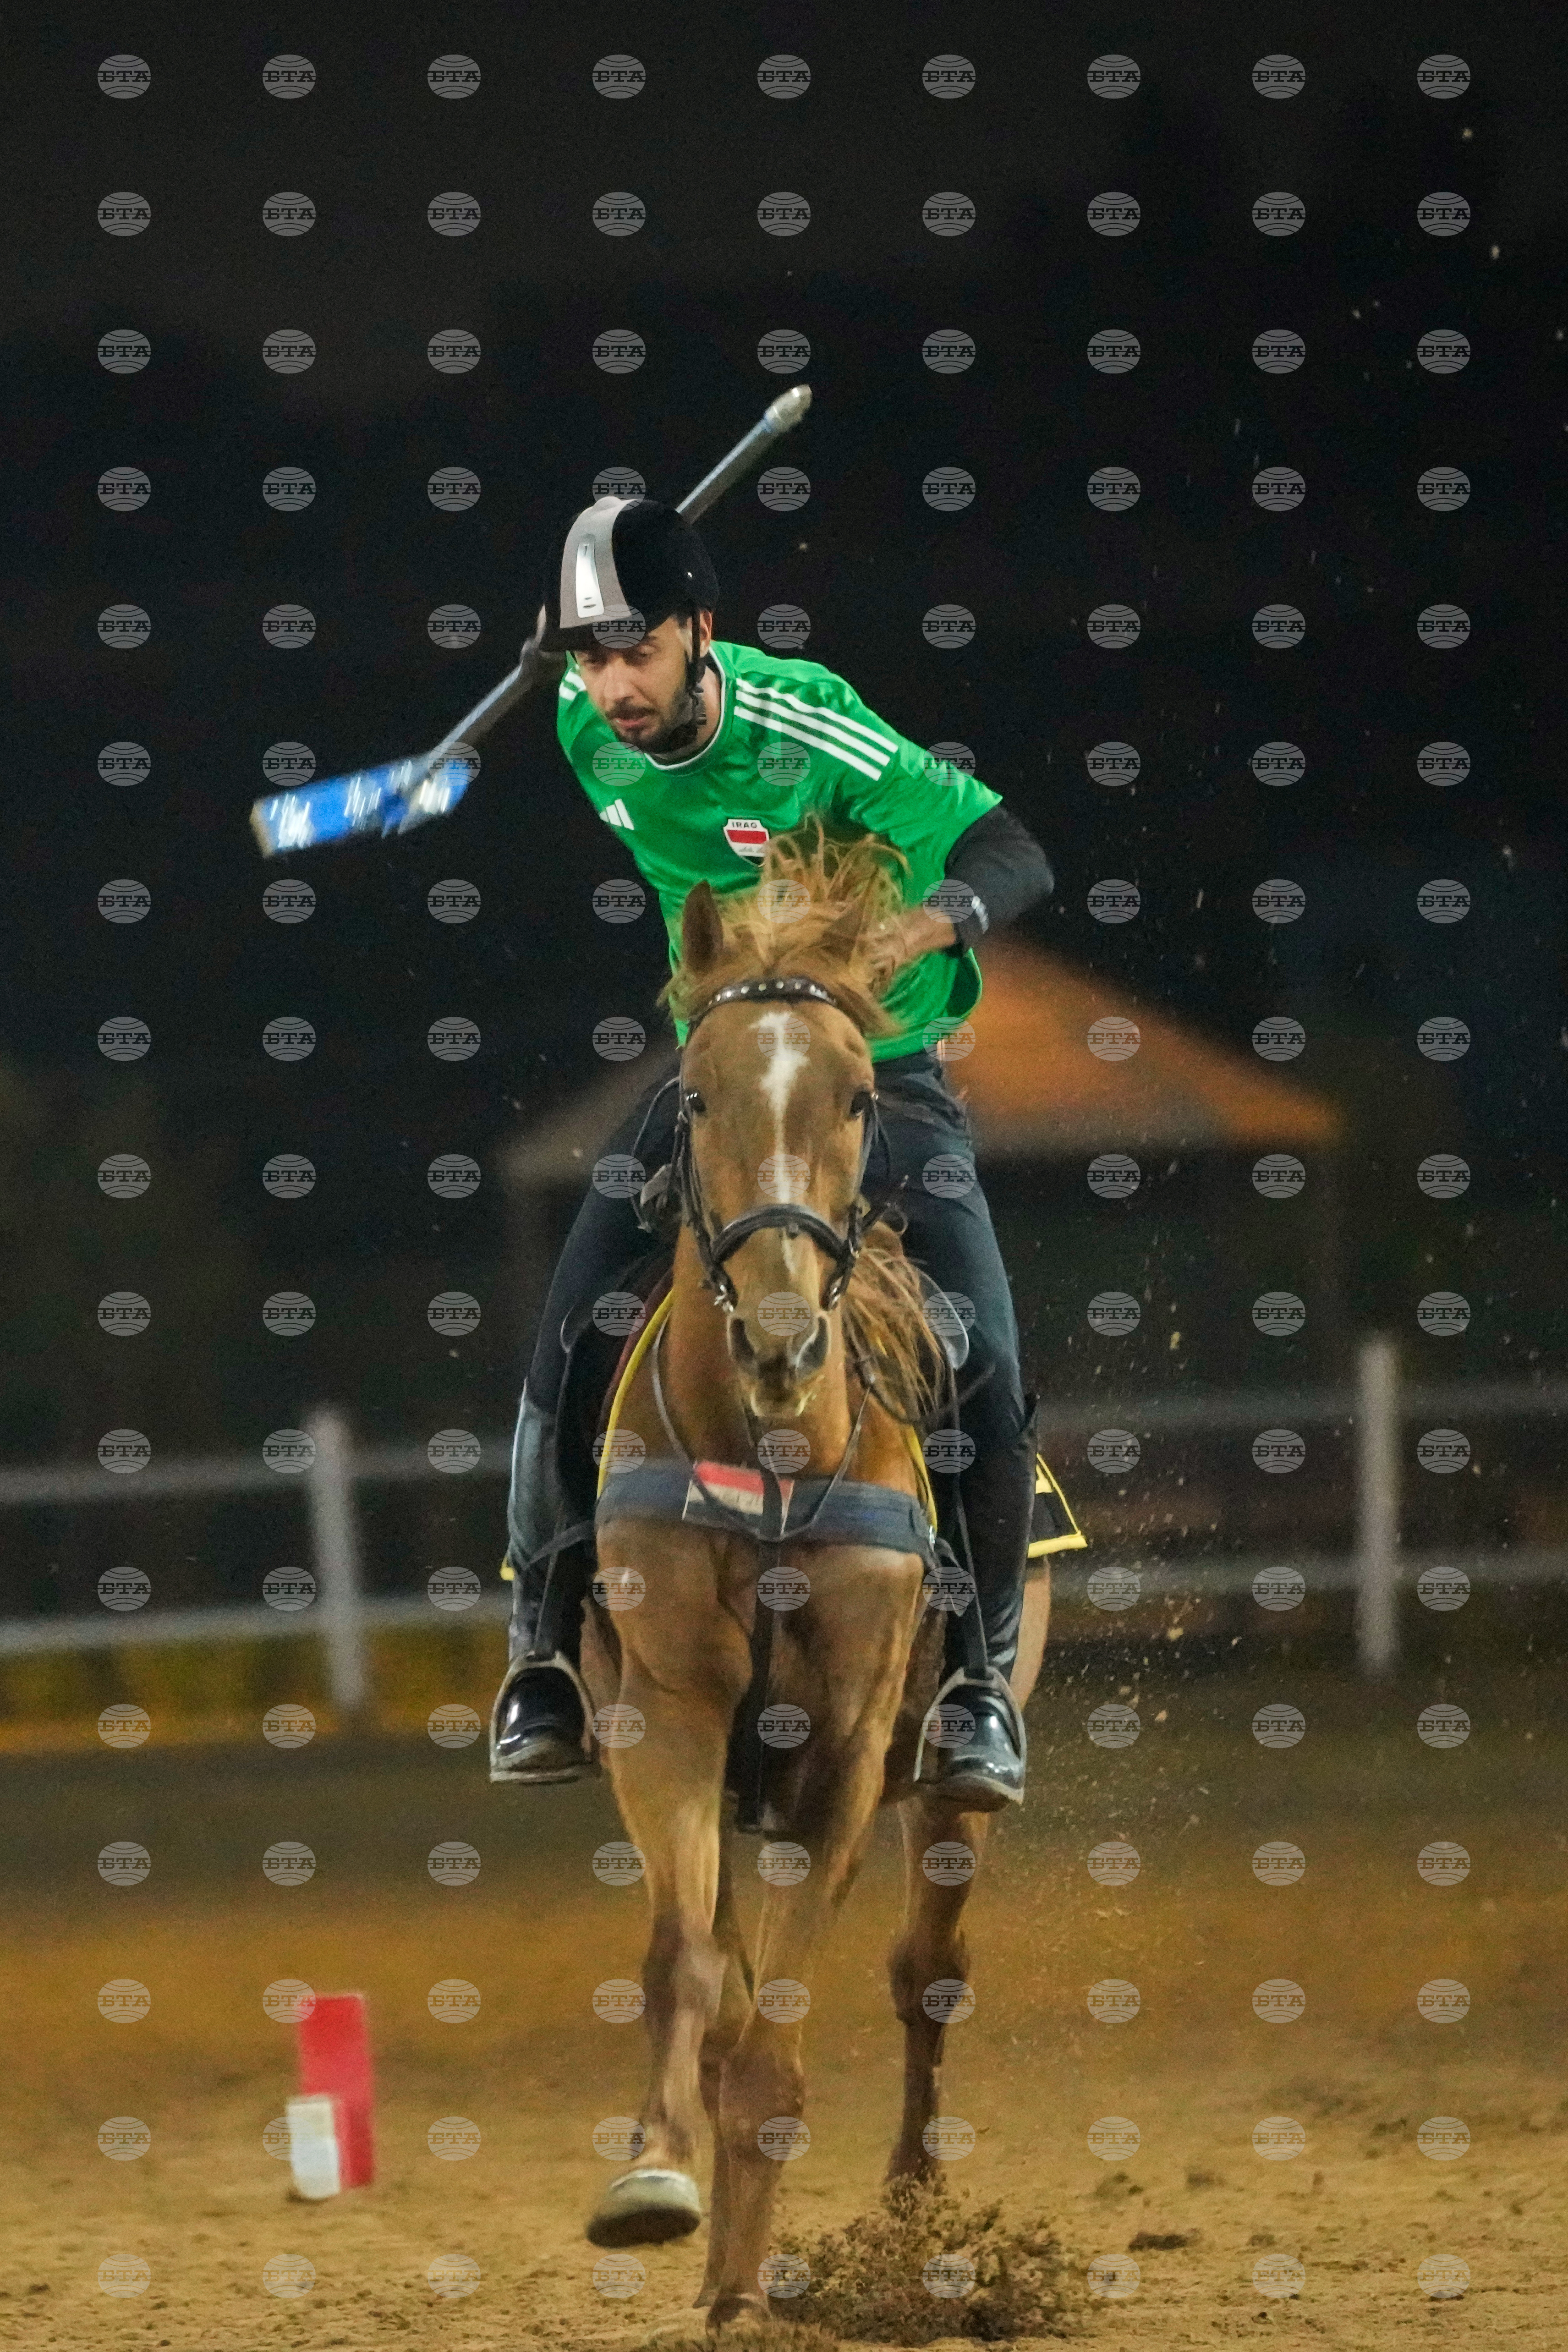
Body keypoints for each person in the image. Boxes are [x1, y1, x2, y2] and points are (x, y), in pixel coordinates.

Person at [490, 493, 1057, 1809]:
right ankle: (540, 1659)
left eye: (636, 651)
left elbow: (1013, 849)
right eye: (587, 658)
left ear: (702, 630)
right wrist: (580, 635)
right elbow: (599, 689)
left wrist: (937, 923)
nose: (612, 689)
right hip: (718, 1072)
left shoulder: (805, 722)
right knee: (567, 1332)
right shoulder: (585, 728)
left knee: (983, 1345)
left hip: (876, 1070)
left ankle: (976, 1686)